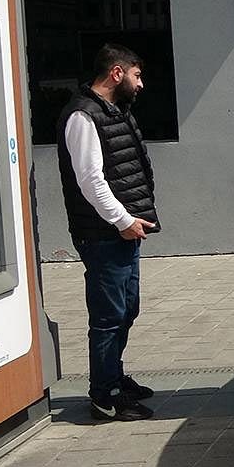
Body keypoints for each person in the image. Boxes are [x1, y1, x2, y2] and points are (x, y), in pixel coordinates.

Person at [57, 44, 160, 422]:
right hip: (102, 234)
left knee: (126, 308)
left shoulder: (114, 111)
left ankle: (114, 377)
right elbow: (90, 180)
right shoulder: (83, 117)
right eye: (136, 75)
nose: (141, 84)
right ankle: (104, 395)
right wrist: (122, 220)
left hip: (123, 232)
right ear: (116, 73)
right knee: (108, 315)